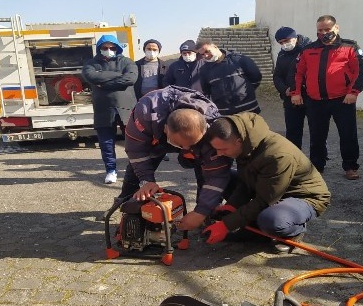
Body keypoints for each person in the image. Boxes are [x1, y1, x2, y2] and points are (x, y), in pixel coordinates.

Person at [201, 113, 331, 254]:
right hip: (270, 189)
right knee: (223, 178)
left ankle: (293, 232)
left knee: (271, 220)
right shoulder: (246, 144)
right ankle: (256, 230)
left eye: (223, 149)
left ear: (238, 141)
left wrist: (226, 225)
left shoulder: (277, 155)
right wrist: (232, 206)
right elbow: (246, 182)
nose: (219, 154)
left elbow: (264, 201)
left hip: (305, 197)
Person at [113, 86, 233, 231]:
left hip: (195, 140)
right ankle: (127, 210)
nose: (185, 149)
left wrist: (201, 212)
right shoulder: (145, 112)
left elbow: (217, 174)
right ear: (166, 129)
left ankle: (208, 215)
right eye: (181, 145)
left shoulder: (212, 125)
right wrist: (146, 180)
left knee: (204, 171)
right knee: (136, 170)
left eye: (189, 146)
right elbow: (136, 150)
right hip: (155, 136)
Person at [291, 15, 363, 179]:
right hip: (315, 100)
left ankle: (350, 167)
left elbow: (360, 71)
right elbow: (298, 73)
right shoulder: (308, 49)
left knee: (348, 135)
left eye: (327, 29)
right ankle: (317, 166)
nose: (324, 33)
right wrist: (296, 92)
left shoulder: (350, 47)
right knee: (317, 136)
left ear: (336, 28)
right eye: (320, 30)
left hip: (342, 100)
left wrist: (353, 92)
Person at [82, 34, 138, 184]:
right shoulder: (91, 64)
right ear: (99, 48)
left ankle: (137, 169)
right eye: (105, 47)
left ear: (117, 48)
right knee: (106, 142)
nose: (108, 50)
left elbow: (131, 79)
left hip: (126, 107)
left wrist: (105, 83)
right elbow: (91, 77)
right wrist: (118, 77)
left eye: (112, 47)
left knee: (134, 141)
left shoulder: (127, 62)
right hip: (103, 108)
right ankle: (111, 170)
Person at [196, 39, 262, 115]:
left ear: (215, 46)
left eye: (207, 51)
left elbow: (256, 77)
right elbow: (206, 90)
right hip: (225, 114)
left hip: (249, 110)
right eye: (202, 54)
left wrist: (245, 92)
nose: (206, 56)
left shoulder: (239, 60)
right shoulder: (204, 70)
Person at [272, 26, 312, 147]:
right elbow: (277, 75)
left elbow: (307, 73)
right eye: (281, 42)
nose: (284, 44)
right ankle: (294, 158)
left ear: (294, 38)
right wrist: (285, 90)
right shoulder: (282, 55)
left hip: (310, 97)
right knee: (293, 132)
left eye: (286, 41)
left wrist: (295, 90)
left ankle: (319, 160)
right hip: (290, 99)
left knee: (317, 131)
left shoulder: (309, 50)